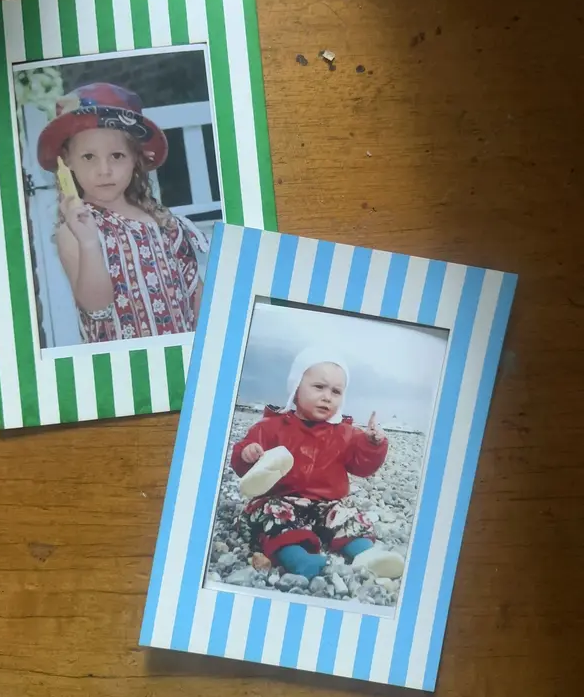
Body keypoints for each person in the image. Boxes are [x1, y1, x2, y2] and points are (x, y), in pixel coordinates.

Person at [37, 82, 208, 342]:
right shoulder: (73, 233)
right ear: (66, 161)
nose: (104, 170)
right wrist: (90, 243)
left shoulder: (165, 224)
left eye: (116, 156)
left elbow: (199, 301)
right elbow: (97, 309)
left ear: (135, 159)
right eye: (88, 157)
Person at [231, 348, 405, 581]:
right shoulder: (271, 427)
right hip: (281, 499)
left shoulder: (346, 434)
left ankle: (366, 554)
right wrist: (248, 454)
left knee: (347, 515)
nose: (327, 397)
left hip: (326, 504)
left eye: (336, 391)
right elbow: (245, 469)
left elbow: (363, 466)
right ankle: (297, 558)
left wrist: (373, 444)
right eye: (319, 387)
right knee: (271, 515)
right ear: (295, 390)